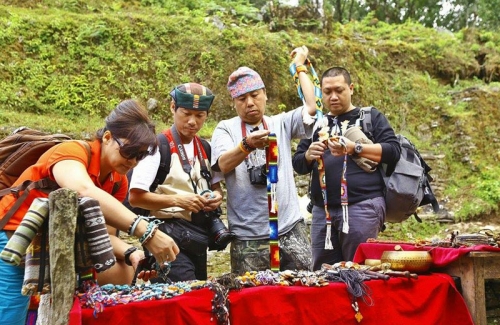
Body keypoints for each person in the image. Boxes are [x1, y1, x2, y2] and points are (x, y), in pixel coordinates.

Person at [0, 99, 179, 325]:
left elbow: (107, 237)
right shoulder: (72, 152)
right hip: (13, 237)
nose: (132, 161)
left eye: (139, 156)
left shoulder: (117, 181)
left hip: (58, 249)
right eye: (129, 151)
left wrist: (133, 253)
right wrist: (147, 232)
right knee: (10, 316)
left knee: (124, 272)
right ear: (106, 137)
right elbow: (83, 189)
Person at [210, 46, 317, 275]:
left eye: (254, 95)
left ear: (265, 94)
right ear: (234, 103)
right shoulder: (225, 129)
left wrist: (299, 66)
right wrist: (246, 145)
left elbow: (311, 107)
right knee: (252, 300)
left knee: (302, 290)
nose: (249, 103)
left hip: (289, 228)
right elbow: (222, 165)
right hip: (248, 236)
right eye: (242, 98)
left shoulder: (281, 122)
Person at [292, 67, 401, 270]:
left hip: (362, 207)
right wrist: (308, 155)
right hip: (322, 213)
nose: (333, 96)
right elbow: (298, 164)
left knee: (359, 272)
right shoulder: (317, 124)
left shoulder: (370, 117)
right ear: (321, 93)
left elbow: (393, 151)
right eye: (327, 92)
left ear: (351, 89)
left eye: (339, 90)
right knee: (323, 275)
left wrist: (355, 148)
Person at [128, 83, 228, 282]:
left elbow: (215, 187)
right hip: (165, 238)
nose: (192, 121)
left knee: (196, 297)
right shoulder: (157, 146)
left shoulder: (205, 148)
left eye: (199, 116)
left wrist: (216, 197)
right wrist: (179, 201)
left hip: (197, 238)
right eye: (186, 113)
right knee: (180, 300)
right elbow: (135, 197)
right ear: (173, 108)